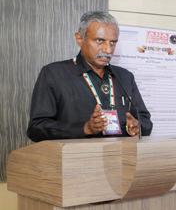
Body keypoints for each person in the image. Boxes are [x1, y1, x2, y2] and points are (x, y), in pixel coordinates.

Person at [27, 11, 151, 141]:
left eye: (113, 43)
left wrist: (137, 126)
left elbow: (146, 122)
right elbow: (36, 128)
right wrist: (85, 128)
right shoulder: (53, 73)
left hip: (120, 153)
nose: (108, 50)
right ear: (80, 38)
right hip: (76, 153)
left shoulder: (125, 76)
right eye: (100, 41)